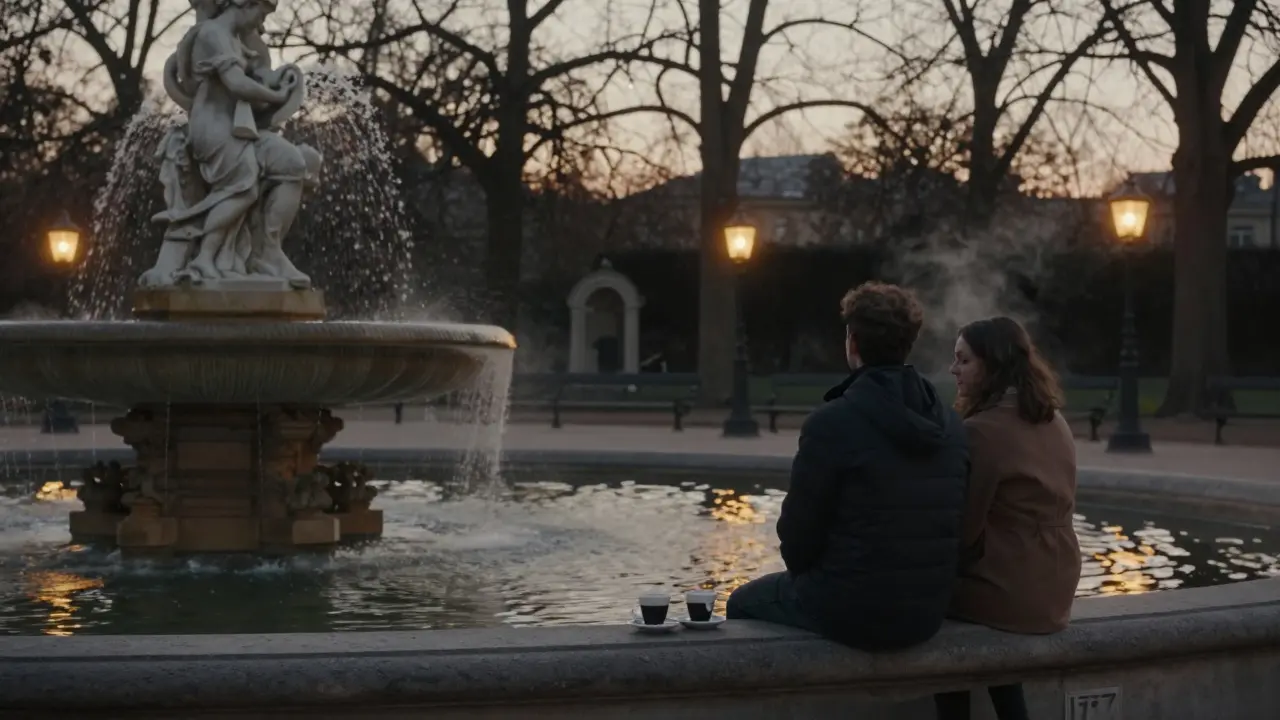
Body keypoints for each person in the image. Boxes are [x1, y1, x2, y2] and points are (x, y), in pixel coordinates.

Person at [725, 282, 969, 650]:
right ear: (908, 343)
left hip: (853, 610)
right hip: (926, 615)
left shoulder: (832, 422)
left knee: (741, 603)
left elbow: (797, 542)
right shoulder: (950, 425)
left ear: (853, 342)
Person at [933, 316, 1081, 720]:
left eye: (963, 360)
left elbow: (963, 532)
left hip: (1014, 592)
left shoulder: (981, 431)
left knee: (928, 605)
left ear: (992, 364)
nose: (953, 370)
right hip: (1056, 585)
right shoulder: (1054, 419)